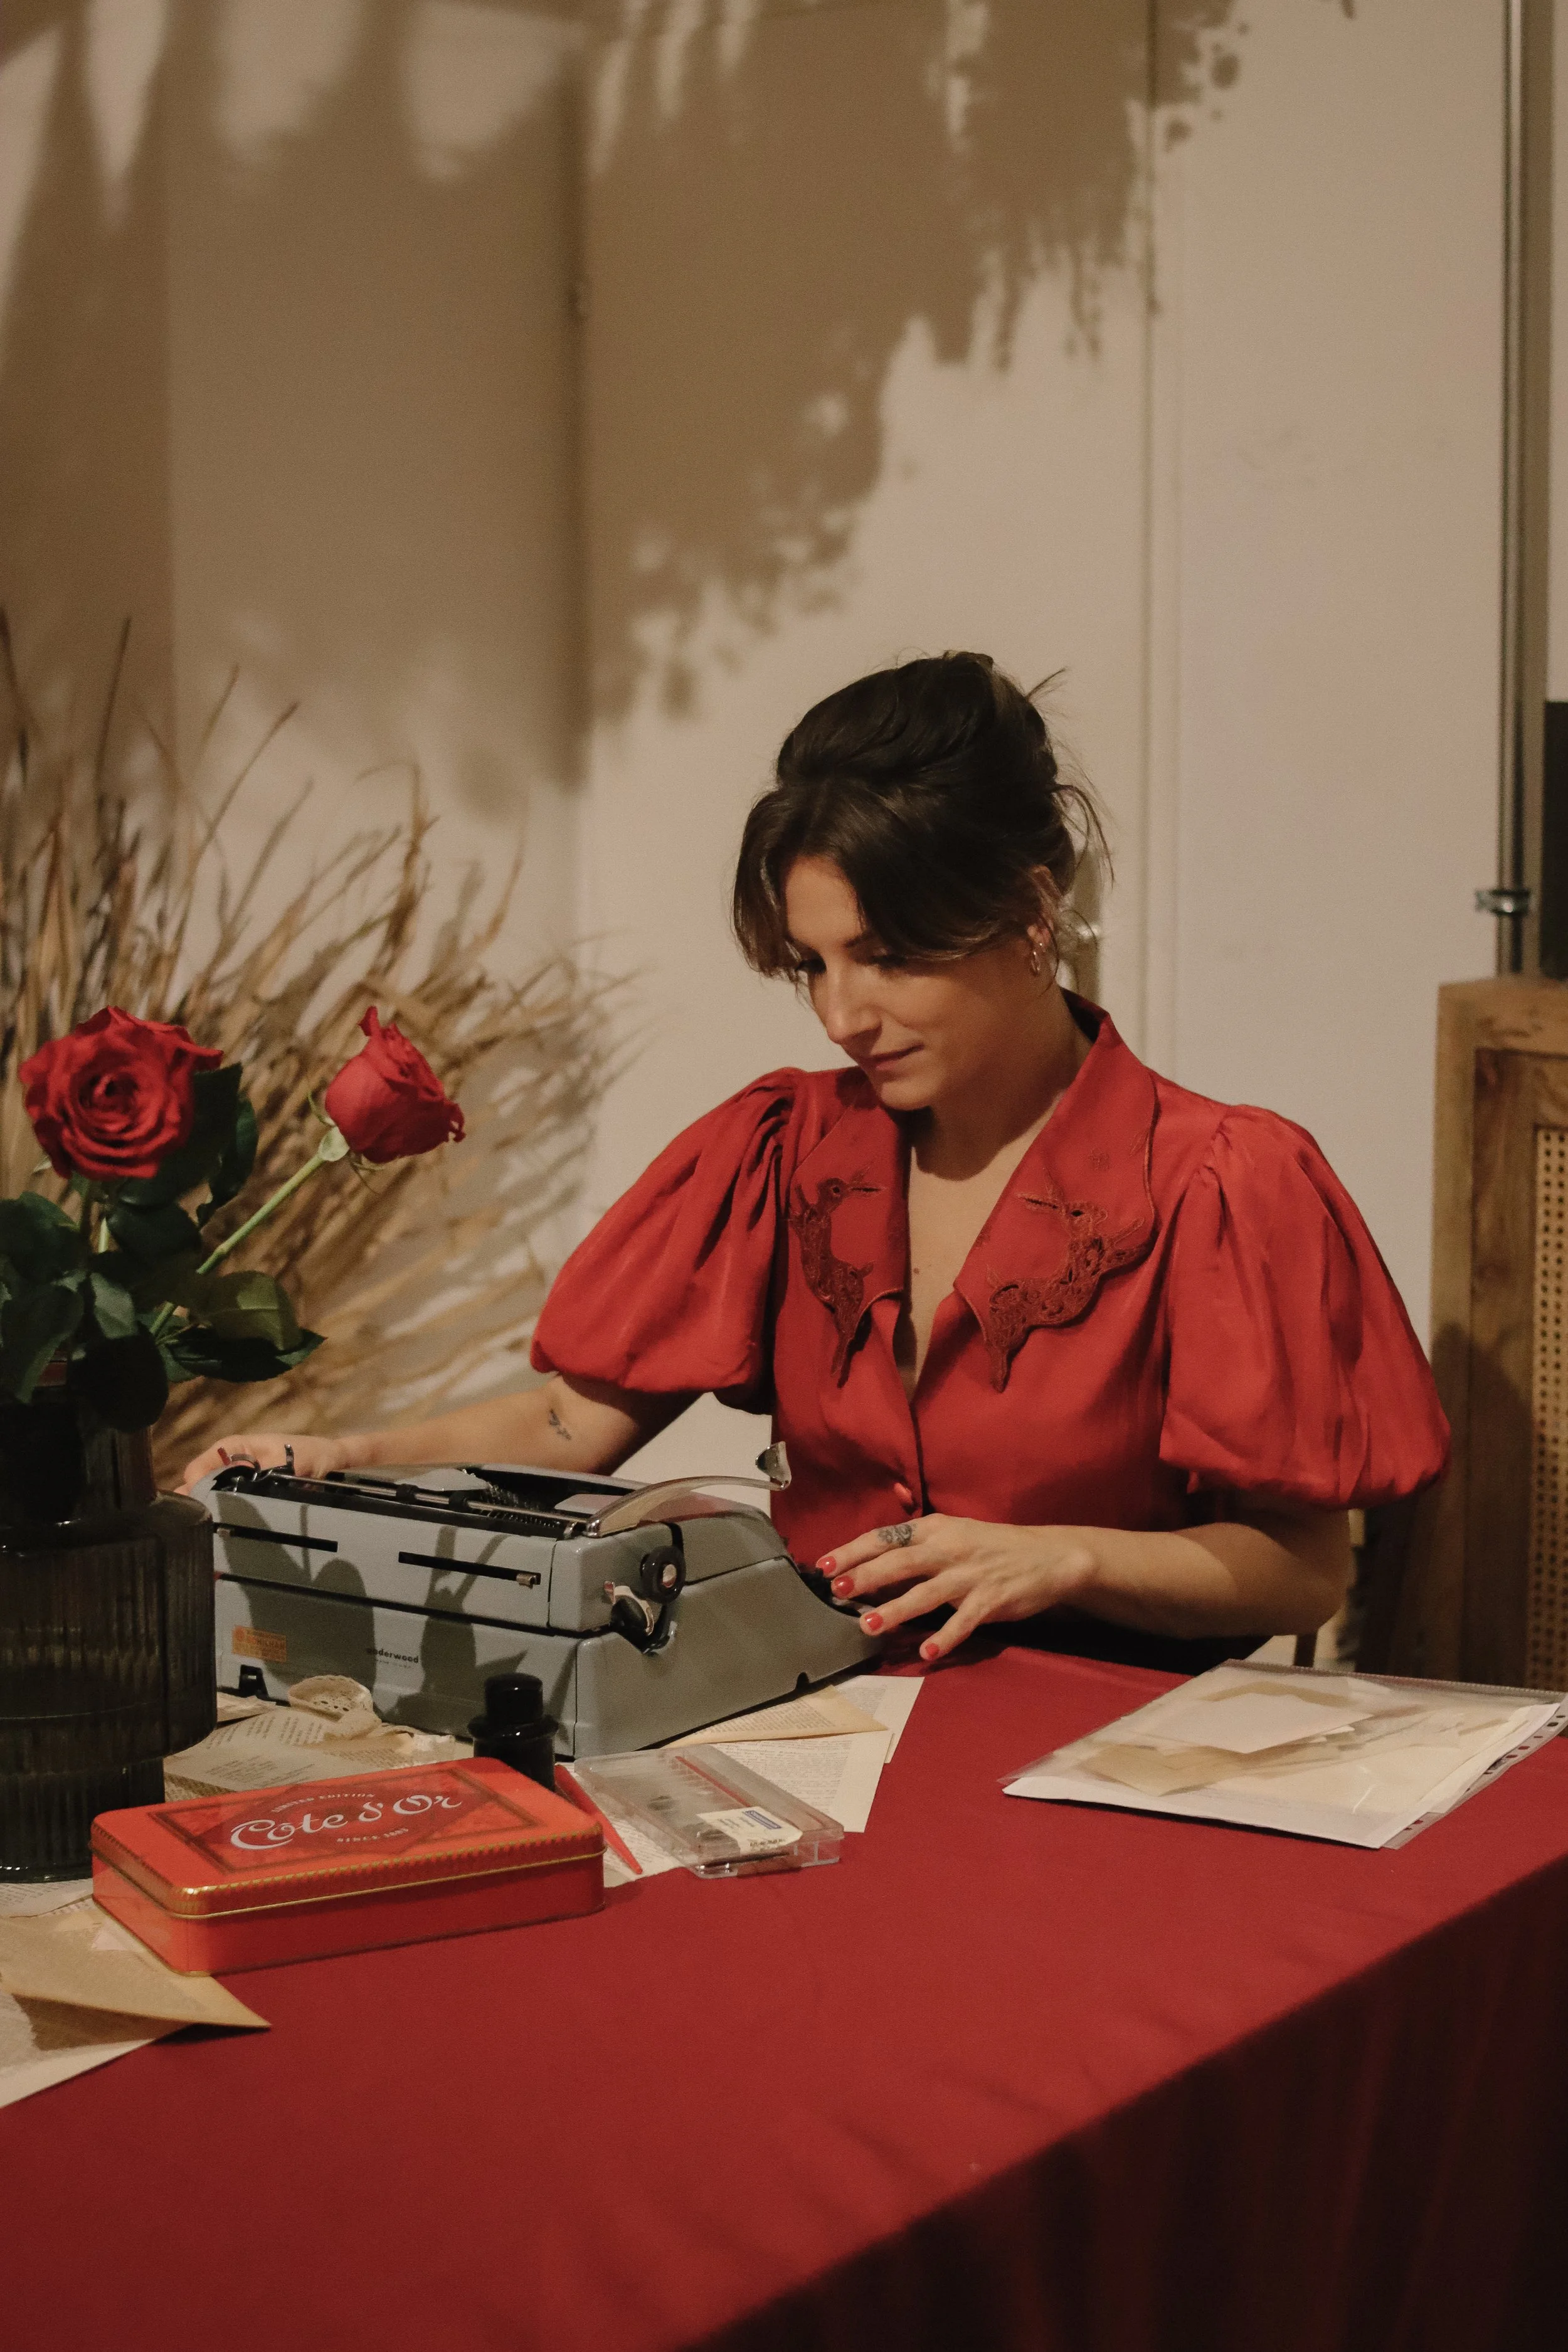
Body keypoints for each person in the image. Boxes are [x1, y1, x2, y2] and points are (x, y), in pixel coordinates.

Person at [183, 653, 1448, 1672]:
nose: (842, 1015)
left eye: (888, 958)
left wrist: (1058, 1558)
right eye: (813, 966)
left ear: (1027, 910)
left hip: (1100, 1755)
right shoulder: (783, 1148)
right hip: (801, 1720)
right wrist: (342, 1460)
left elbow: (1302, 1568)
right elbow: (571, 1423)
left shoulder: (1221, 1180)